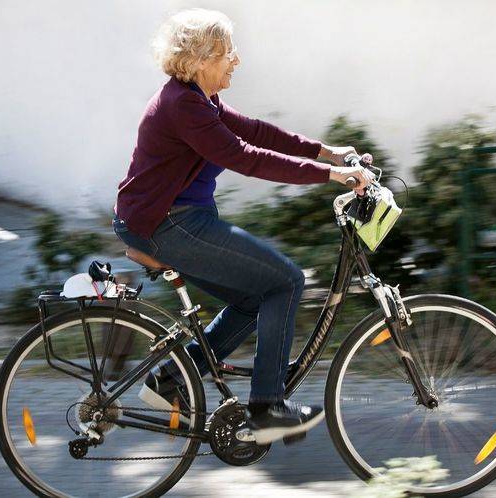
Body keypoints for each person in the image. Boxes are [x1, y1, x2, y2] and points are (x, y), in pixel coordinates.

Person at [112, 8, 375, 444]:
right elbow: (245, 157)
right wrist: (331, 176)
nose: (236, 59)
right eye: (227, 52)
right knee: (286, 281)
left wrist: (329, 153)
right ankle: (267, 407)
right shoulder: (183, 106)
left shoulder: (198, 100)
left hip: (171, 220)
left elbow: (257, 133)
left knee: (257, 296)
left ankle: (172, 379)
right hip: (166, 225)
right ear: (199, 60)